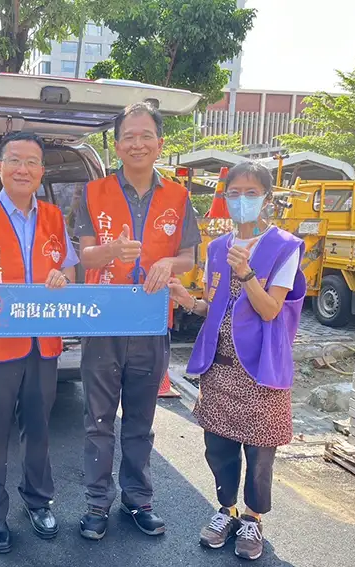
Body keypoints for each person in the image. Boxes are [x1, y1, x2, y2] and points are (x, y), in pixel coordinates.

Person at [73, 102, 200, 540]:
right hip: (103, 322)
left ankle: (138, 499)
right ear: (117, 145)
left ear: (160, 143)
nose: (138, 143)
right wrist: (110, 252)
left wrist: (169, 262)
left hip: (151, 322)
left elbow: (189, 256)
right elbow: (83, 256)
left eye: (146, 135)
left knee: (141, 421)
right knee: (98, 420)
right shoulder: (93, 193)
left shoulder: (180, 197)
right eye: (129, 136)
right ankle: (95, 503)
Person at [168, 161, 306, 561]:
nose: (241, 200)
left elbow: (269, 310)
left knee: (259, 453)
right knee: (218, 446)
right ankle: (226, 510)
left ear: (266, 198)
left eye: (250, 193)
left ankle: (252, 518)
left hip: (261, 371)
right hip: (221, 367)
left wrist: (246, 274)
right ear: (224, 198)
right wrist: (187, 300)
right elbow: (214, 306)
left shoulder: (284, 247)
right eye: (234, 193)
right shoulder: (217, 248)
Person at [0, 131, 79, 554]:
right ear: (0, 167)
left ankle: (38, 501)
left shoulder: (55, 218)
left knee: (39, 428)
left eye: (32, 162)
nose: (24, 169)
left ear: (42, 171)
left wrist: (62, 279)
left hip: (43, 341)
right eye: (15, 161)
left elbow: (70, 274)